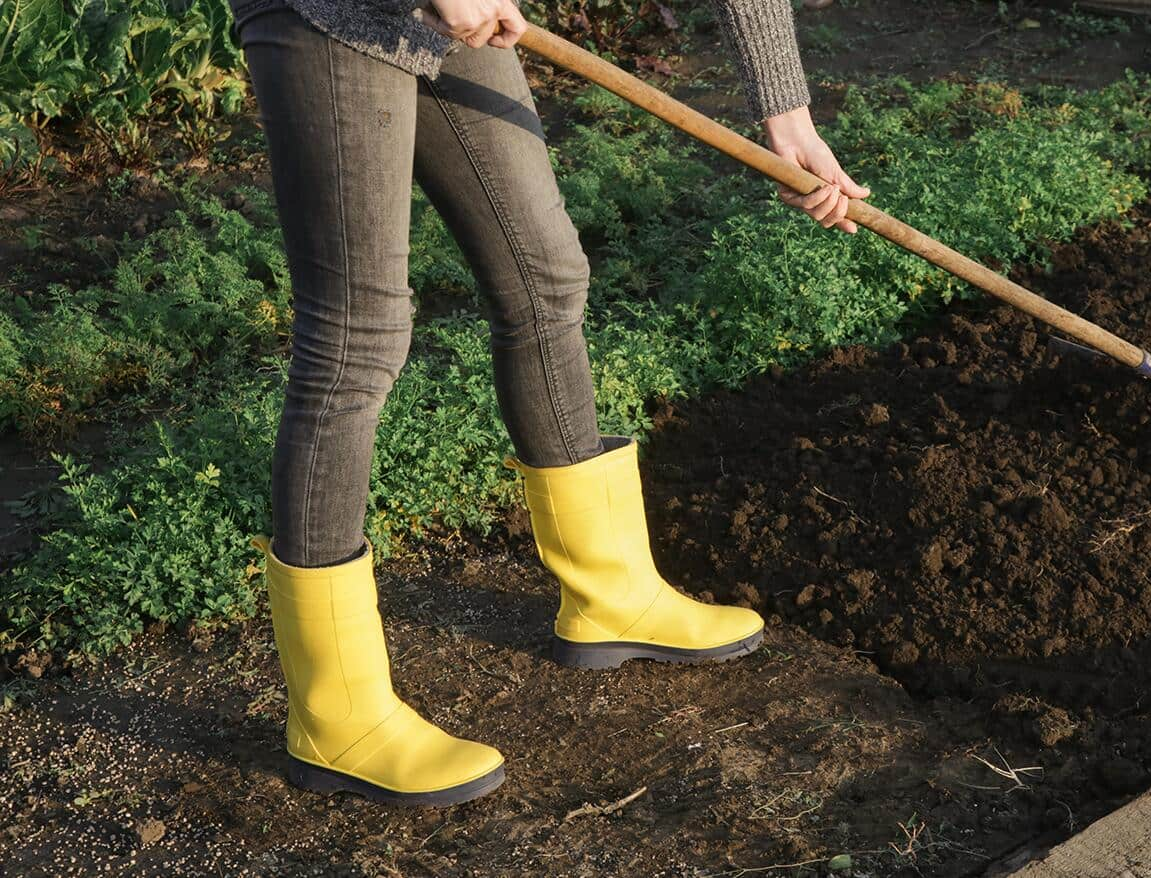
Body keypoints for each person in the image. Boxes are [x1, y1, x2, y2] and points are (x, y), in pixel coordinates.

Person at [229, 0, 869, 807]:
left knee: (545, 278)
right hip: (326, 14)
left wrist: (787, 112)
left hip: (448, 15)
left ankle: (611, 594)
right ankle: (336, 714)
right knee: (359, 336)